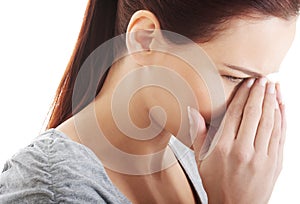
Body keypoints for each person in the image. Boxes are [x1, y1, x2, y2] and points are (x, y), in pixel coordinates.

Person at [0, 0, 299, 203]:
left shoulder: (201, 158)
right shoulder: (47, 186)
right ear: (145, 39)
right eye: (234, 77)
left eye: (262, 81)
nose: (250, 106)